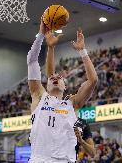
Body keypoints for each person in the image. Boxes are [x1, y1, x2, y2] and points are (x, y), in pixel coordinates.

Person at [27, 18, 98, 163]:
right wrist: (41, 35)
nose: (55, 77)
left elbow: (93, 81)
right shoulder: (39, 97)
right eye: (52, 77)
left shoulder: (72, 104)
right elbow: (32, 60)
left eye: (59, 78)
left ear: (65, 86)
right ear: (46, 85)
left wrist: (82, 51)